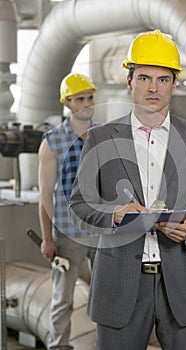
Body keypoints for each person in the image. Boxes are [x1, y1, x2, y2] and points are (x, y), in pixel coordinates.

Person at [69, 30, 186, 350]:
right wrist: (115, 214)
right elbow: (78, 205)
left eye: (163, 79)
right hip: (119, 286)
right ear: (130, 81)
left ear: (174, 83)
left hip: (185, 285)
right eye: (144, 78)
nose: (153, 87)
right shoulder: (101, 138)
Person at [38, 72, 97, 350]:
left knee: (108, 295)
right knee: (63, 298)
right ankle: (58, 346)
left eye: (90, 98)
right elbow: (45, 195)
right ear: (68, 103)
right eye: (80, 99)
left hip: (102, 231)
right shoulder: (53, 142)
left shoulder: (103, 135)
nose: (86, 104)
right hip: (68, 234)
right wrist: (47, 238)